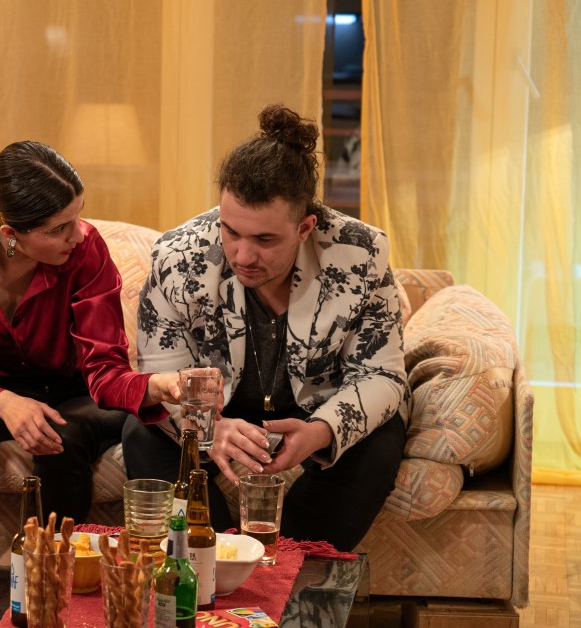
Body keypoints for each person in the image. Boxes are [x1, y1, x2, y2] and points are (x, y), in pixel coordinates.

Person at [122, 104, 409, 550]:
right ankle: (212, 560)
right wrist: (210, 429)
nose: (242, 255)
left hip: (318, 408)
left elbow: (382, 375)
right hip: (218, 410)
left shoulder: (360, 254)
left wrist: (321, 431)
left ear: (305, 227)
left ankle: (291, 565)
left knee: (380, 443)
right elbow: (161, 374)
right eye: (231, 232)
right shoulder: (178, 257)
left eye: (264, 239)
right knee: (141, 430)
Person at [0, 141, 181, 604]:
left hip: (79, 390)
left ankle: (32, 581)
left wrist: (157, 386)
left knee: (62, 433)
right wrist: (2, 401)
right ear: (10, 233)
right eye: (59, 229)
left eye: (77, 217)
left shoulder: (86, 250)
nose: (78, 234)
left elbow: (105, 370)